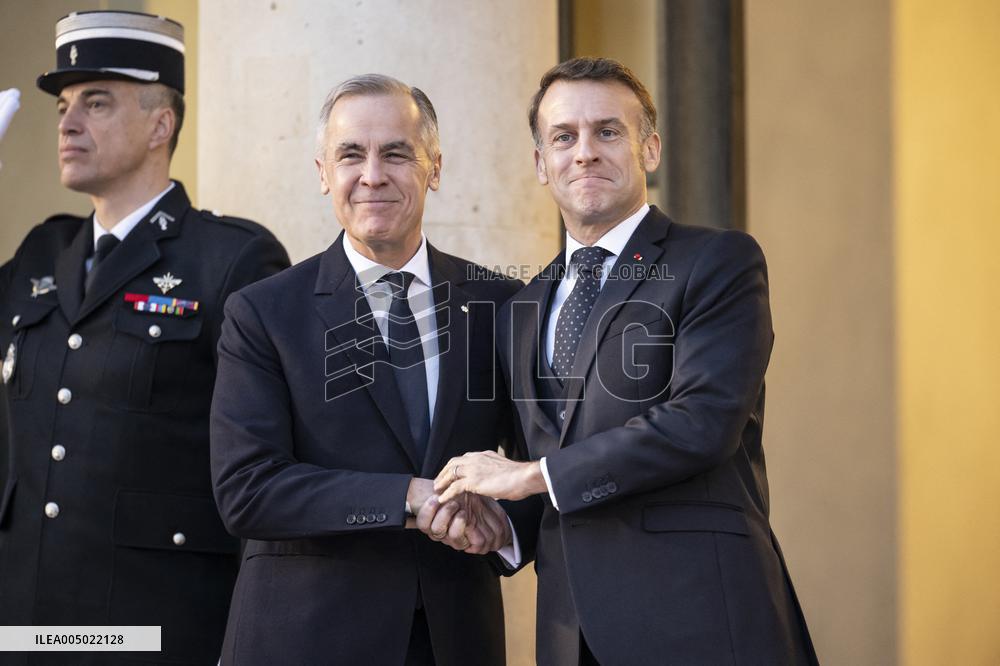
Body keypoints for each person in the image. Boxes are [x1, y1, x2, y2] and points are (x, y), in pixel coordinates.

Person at [433, 57, 819, 665]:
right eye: (564, 137)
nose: (585, 152)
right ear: (541, 163)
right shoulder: (521, 309)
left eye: (607, 131)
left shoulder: (717, 262)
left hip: (703, 619)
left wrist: (530, 477)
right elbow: (552, 460)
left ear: (650, 150)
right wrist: (506, 527)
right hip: (571, 635)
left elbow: (701, 423)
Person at [0, 11, 289, 664]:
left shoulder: (230, 260)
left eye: (96, 102)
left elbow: (269, 465)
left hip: (159, 636)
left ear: (161, 125)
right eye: (64, 107)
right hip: (26, 632)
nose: (68, 123)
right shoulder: (41, 255)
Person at [210, 74, 522, 666]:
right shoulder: (263, 312)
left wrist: (501, 523)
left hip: (455, 639)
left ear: (434, 168)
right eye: (351, 155)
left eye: (397, 154)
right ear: (323, 173)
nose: (372, 175)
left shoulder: (500, 303)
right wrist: (407, 497)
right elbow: (247, 489)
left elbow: (539, 463)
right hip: (304, 640)